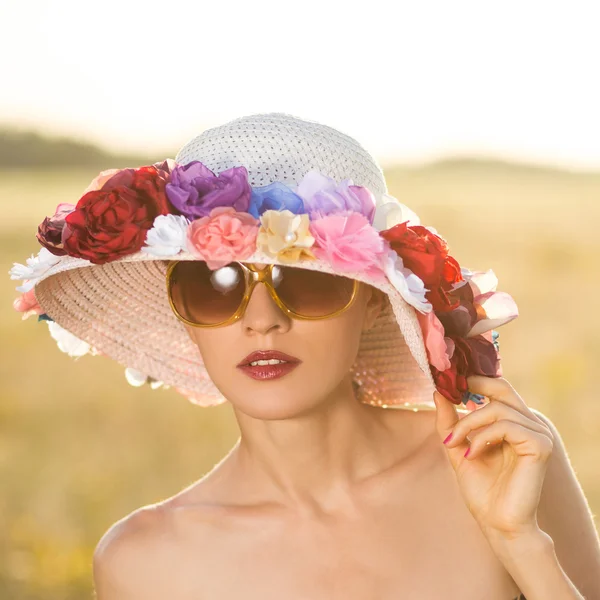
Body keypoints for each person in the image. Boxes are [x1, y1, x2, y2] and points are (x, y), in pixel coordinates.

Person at [11, 113, 599, 599]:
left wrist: (525, 546)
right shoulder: (142, 564)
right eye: (214, 286)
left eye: (309, 283)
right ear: (179, 311)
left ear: (375, 302)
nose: (262, 319)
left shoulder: (506, 465)